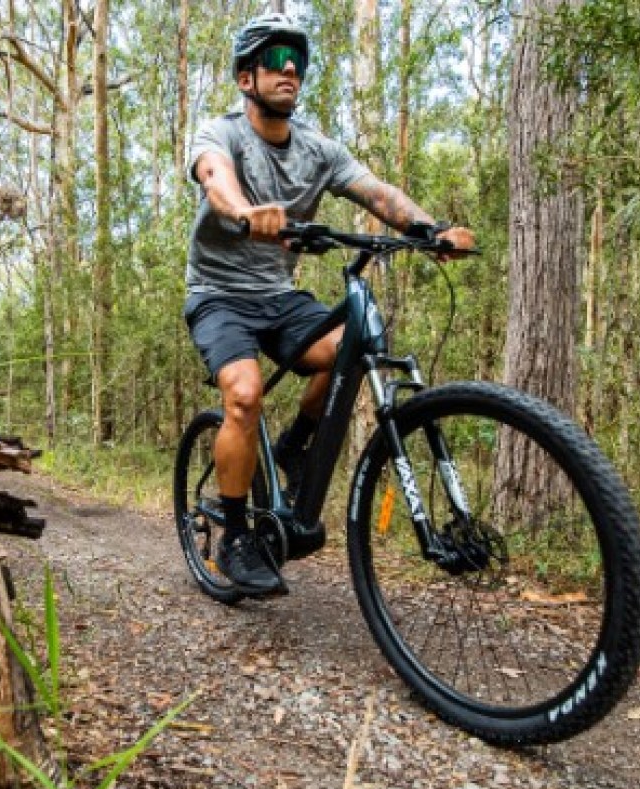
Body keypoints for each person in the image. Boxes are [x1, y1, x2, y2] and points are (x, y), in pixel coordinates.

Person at [184, 12, 476, 593]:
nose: (289, 67)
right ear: (247, 78)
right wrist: (244, 212)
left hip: (279, 296)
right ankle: (237, 535)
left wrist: (428, 229)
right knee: (242, 395)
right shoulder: (221, 134)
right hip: (219, 296)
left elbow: (376, 192)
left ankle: (293, 447)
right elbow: (215, 179)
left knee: (356, 343)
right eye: (273, 57)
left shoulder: (319, 150)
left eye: (297, 58)